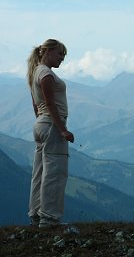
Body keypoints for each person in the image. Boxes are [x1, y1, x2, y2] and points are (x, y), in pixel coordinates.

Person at [27, 39, 74, 228]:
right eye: (60, 53)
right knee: (55, 172)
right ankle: (50, 218)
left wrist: (41, 121)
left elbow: (36, 104)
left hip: (41, 124)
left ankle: (36, 215)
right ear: (48, 51)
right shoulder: (46, 74)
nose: (62, 58)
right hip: (53, 125)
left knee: (39, 172)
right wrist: (62, 129)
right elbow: (51, 103)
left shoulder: (35, 72)